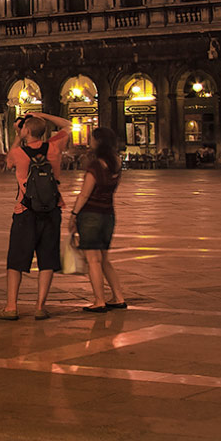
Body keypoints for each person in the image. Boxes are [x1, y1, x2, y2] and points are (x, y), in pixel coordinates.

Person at [0, 112, 72, 321]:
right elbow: (66, 123)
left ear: (27, 131)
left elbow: (8, 163)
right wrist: (41, 115)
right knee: (47, 259)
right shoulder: (54, 148)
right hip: (52, 210)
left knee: (16, 260)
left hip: (25, 211)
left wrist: (19, 136)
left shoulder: (19, 153)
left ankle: (11, 307)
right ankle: (39, 306)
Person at [69, 127, 127, 312]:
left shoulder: (95, 166)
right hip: (108, 215)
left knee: (93, 260)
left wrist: (73, 214)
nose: (90, 142)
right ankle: (118, 297)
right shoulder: (116, 163)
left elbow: (85, 194)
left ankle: (99, 301)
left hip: (91, 215)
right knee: (104, 259)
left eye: (93, 139)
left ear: (99, 142)